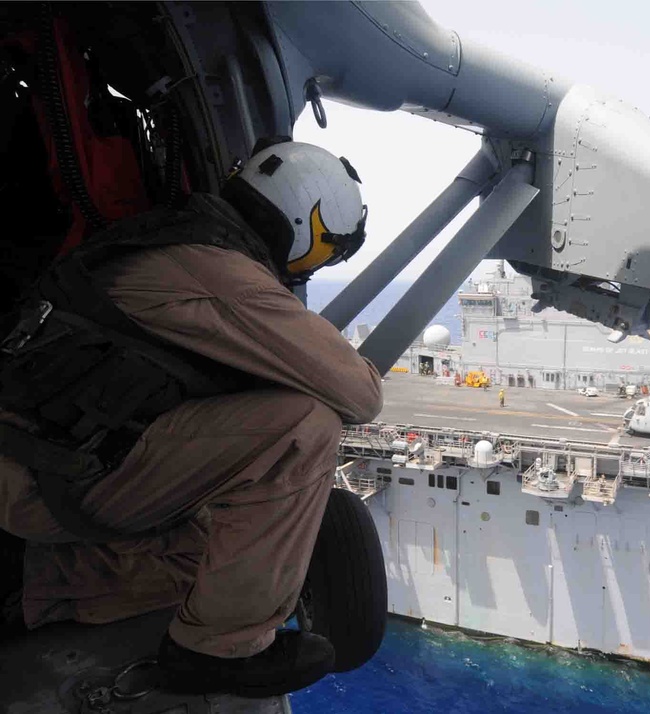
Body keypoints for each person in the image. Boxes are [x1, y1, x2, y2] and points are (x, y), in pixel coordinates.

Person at [0, 139, 382, 697]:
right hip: (50, 481)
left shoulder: (174, 240)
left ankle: (32, 587)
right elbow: (360, 395)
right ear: (308, 223)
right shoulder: (221, 272)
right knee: (303, 429)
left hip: (38, 466)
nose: (314, 265)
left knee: (210, 556)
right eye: (327, 249)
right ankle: (216, 652)